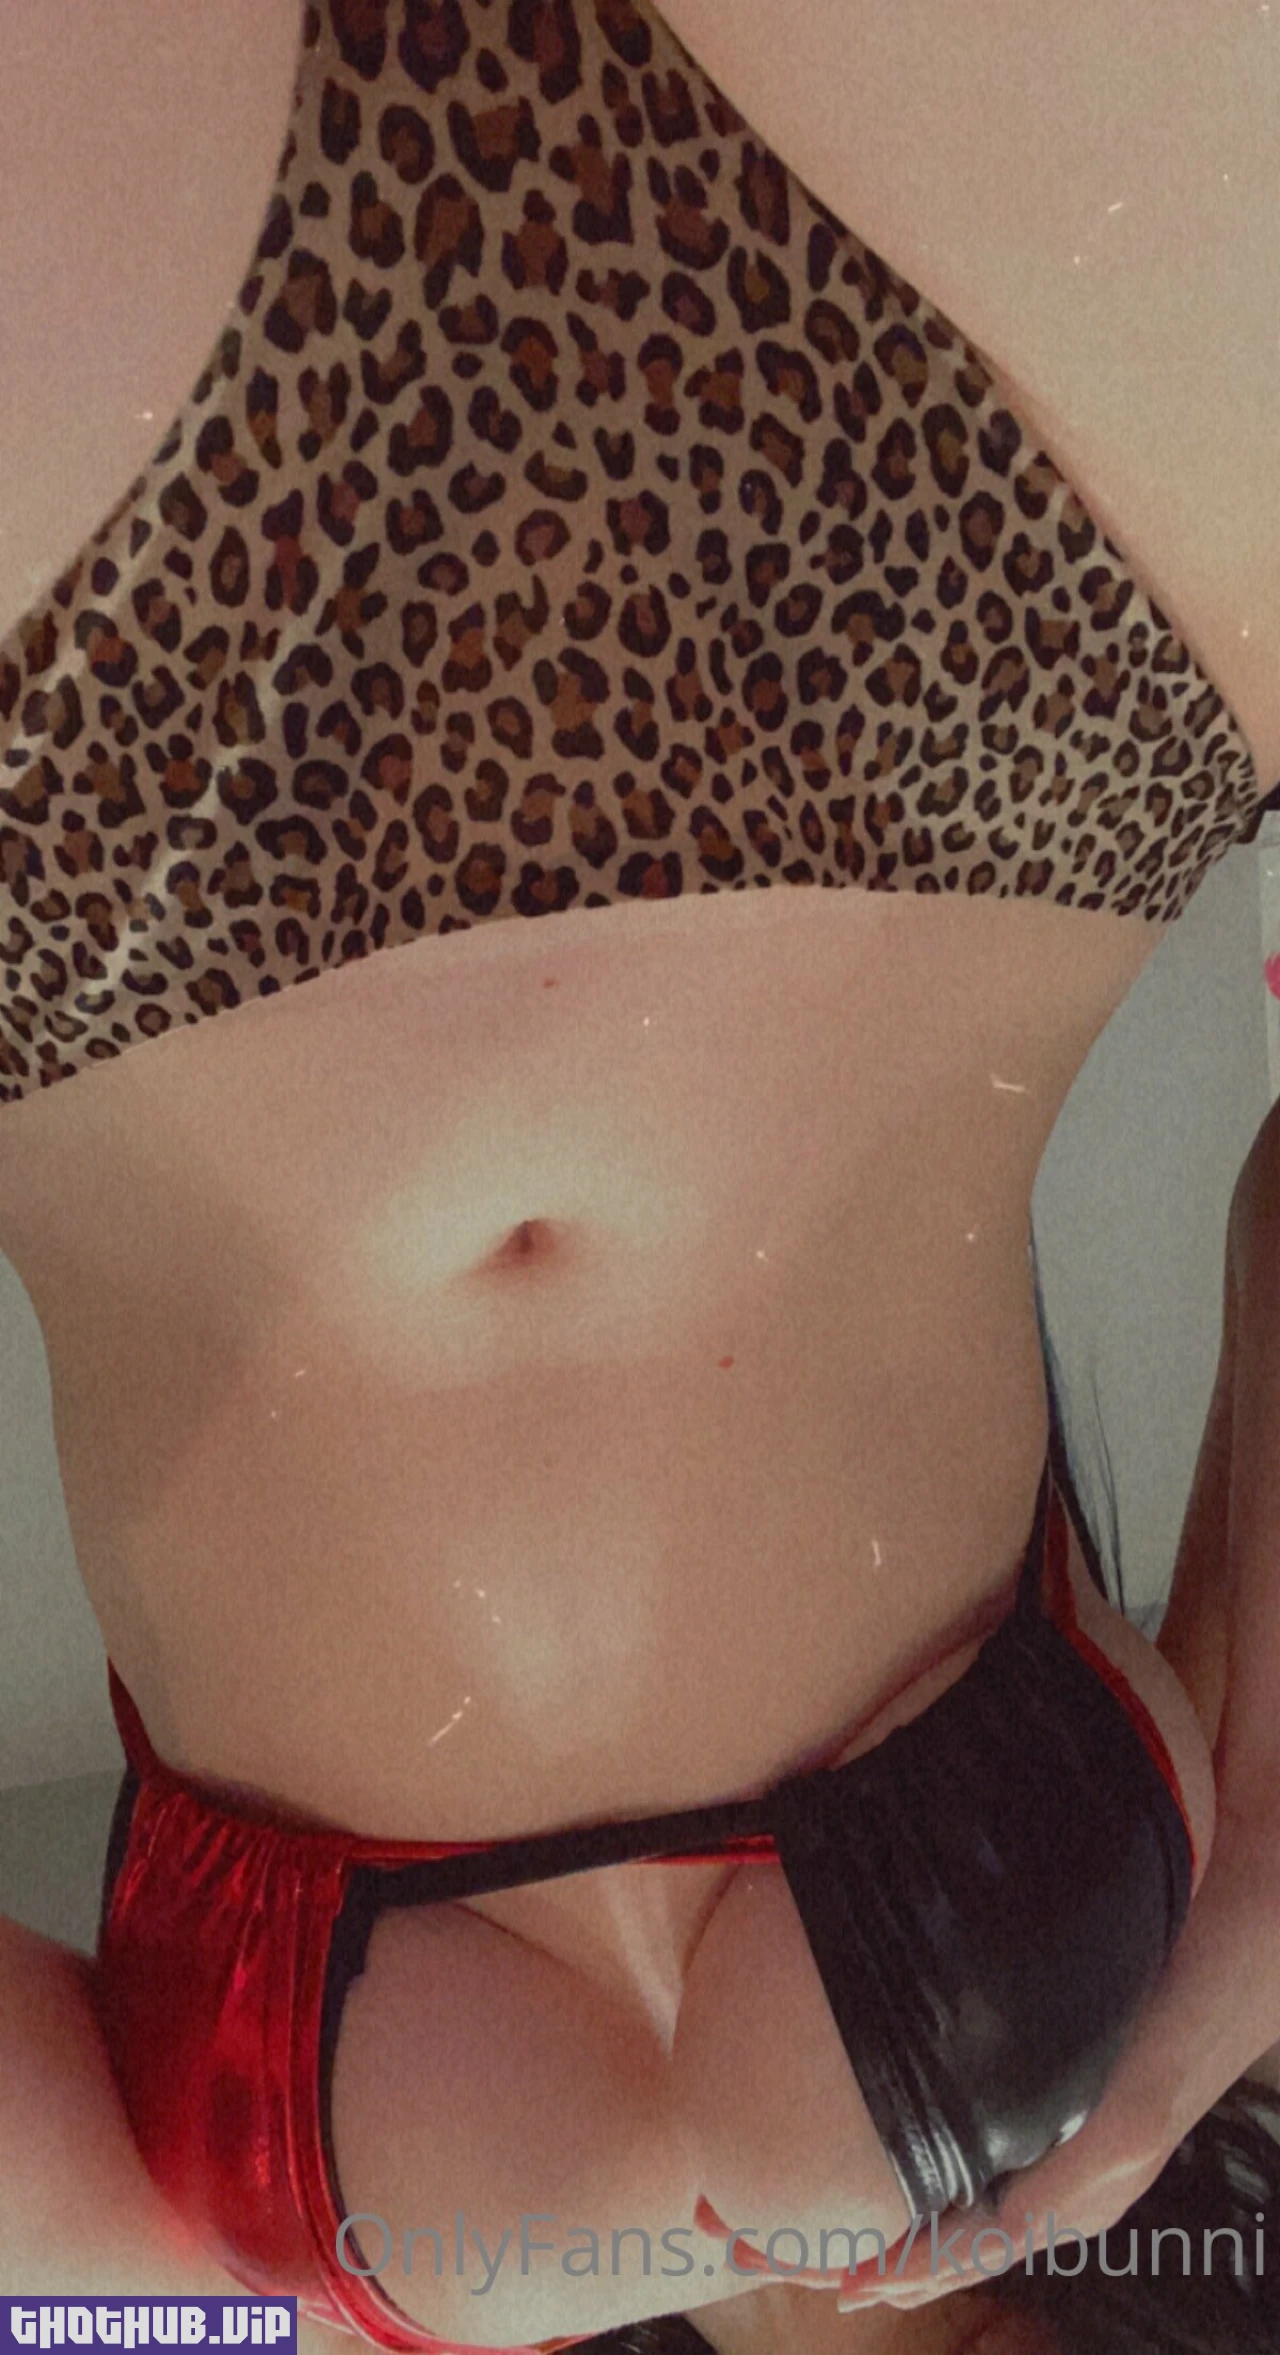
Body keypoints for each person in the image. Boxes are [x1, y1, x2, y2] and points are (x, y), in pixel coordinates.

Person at [0, 2, 1277, 2348]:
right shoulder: (1170, 2133)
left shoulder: (299, 2310)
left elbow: (45, 2267)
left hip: (70, 849)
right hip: (1017, 647)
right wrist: (1262, 1850)